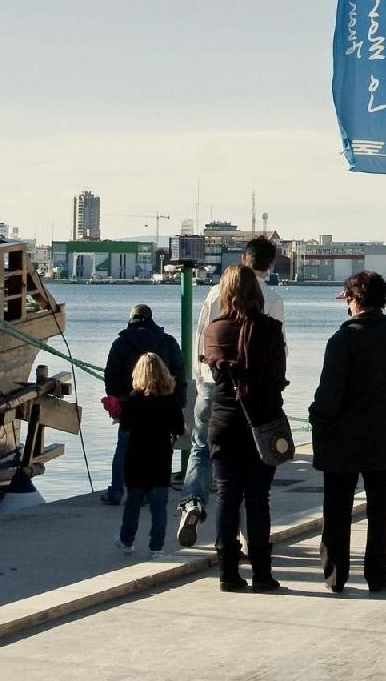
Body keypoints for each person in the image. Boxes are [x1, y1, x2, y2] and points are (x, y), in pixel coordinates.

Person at [178, 237, 286, 548]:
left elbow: (201, 337)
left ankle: (193, 503)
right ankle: (244, 530)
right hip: (254, 389)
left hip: (213, 383)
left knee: (202, 448)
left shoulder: (215, 294)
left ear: (243, 258)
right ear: (271, 263)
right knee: (249, 460)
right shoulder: (273, 300)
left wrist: (201, 379)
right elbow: (278, 350)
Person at [309, 271, 386, 594]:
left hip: (343, 438)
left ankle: (336, 576)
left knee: (337, 510)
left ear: (353, 300)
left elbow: (330, 395)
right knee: (379, 510)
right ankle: (377, 574)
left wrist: (316, 419)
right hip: (383, 433)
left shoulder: (342, 341)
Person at [203, 265, 288, 592]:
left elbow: (213, 375)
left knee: (227, 496)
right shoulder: (270, 330)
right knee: (258, 498)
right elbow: (278, 376)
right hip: (262, 421)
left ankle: (227, 571)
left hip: (224, 420)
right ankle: (262, 574)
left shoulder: (214, 330)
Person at [102, 303, 184, 505]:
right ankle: (150, 494)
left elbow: (110, 376)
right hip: (163, 406)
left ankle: (117, 492)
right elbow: (179, 374)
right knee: (157, 451)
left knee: (124, 449)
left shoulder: (121, 343)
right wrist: (178, 403)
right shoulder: (167, 342)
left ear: (131, 318)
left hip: (131, 405)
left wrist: (117, 400)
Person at [114, 352, 185, 558]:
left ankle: (126, 540)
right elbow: (179, 428)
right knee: (159, 506)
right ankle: (157, 547)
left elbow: (126, 425)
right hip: (160, 456)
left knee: (133, 502)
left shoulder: (134, 399)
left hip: (136, 456)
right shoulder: (169, 400)